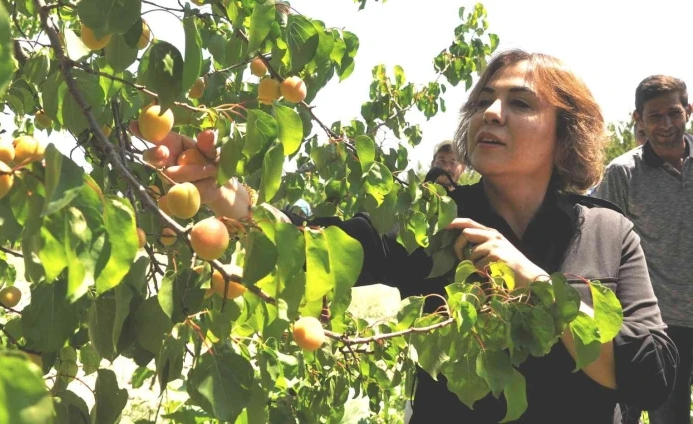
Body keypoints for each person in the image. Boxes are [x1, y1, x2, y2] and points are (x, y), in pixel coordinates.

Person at [132, 49, 678, 424]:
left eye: (519, 103)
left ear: (566, 131)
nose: (491, 112)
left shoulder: (609, 230)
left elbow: (651, 375)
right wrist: (230, 201)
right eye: (485, 100)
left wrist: (535, 281)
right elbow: (324, 251)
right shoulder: (433, 221)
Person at [593, 75, 693, 424]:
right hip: (660, 327)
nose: (665, 124)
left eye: (673, 113)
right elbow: (602, 246)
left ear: (688, 111)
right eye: (654, 116)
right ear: (638, 119)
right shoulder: (622, 174)